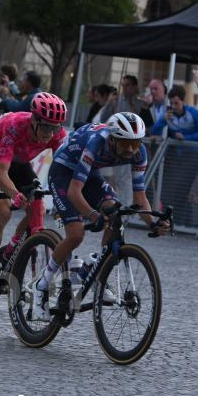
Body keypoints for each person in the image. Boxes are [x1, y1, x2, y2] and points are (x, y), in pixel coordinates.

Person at [34, 112, 167, 320]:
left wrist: (154, 223)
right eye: (125, 144)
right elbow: (73, 192)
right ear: (113, 139)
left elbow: (140, 197)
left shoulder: (139, 152)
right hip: (63, 171)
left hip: (89, 172)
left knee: (115, 212)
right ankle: (42, 285)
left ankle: (96, 269)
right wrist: (92, 214)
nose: (131, 150)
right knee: (76, 234)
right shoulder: (96, 143)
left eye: (136, 143)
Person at [0, 93, 68, 304]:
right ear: (33, 119)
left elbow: (63, 169)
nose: (49, 133)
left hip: (20, 162)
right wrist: (15, 195)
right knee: (3, 211)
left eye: (54, 128)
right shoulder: (15, 126)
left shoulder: (57, 133)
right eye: (45, 127)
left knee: (38, 207)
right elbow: (1, 174)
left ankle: (13, 249)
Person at [150, 85, 198, 228]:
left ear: (183, 101)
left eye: (177, 103)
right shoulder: (167, 113)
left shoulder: (194, 113)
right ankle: (182, 221)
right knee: (176, 190)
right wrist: (162, 119)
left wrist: (186, 137)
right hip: (179, 156)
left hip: (195, 155)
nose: (174, 106)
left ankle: (182, 222)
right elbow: (155, 130)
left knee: (182, 187)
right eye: (172, 103)